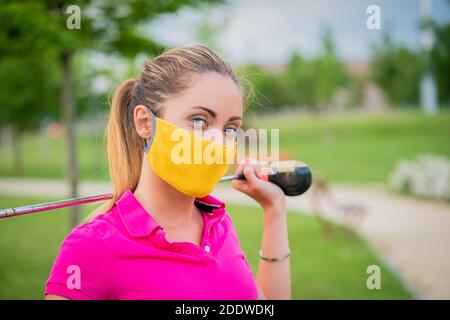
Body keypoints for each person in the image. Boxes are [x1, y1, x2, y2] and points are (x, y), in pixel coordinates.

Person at [44, 45, 291, 300]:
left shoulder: (220, 227)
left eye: (230, 128)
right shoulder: (89, 248)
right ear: (145, 122)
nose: (219, 142)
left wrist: (274, 210)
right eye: (199, 121)